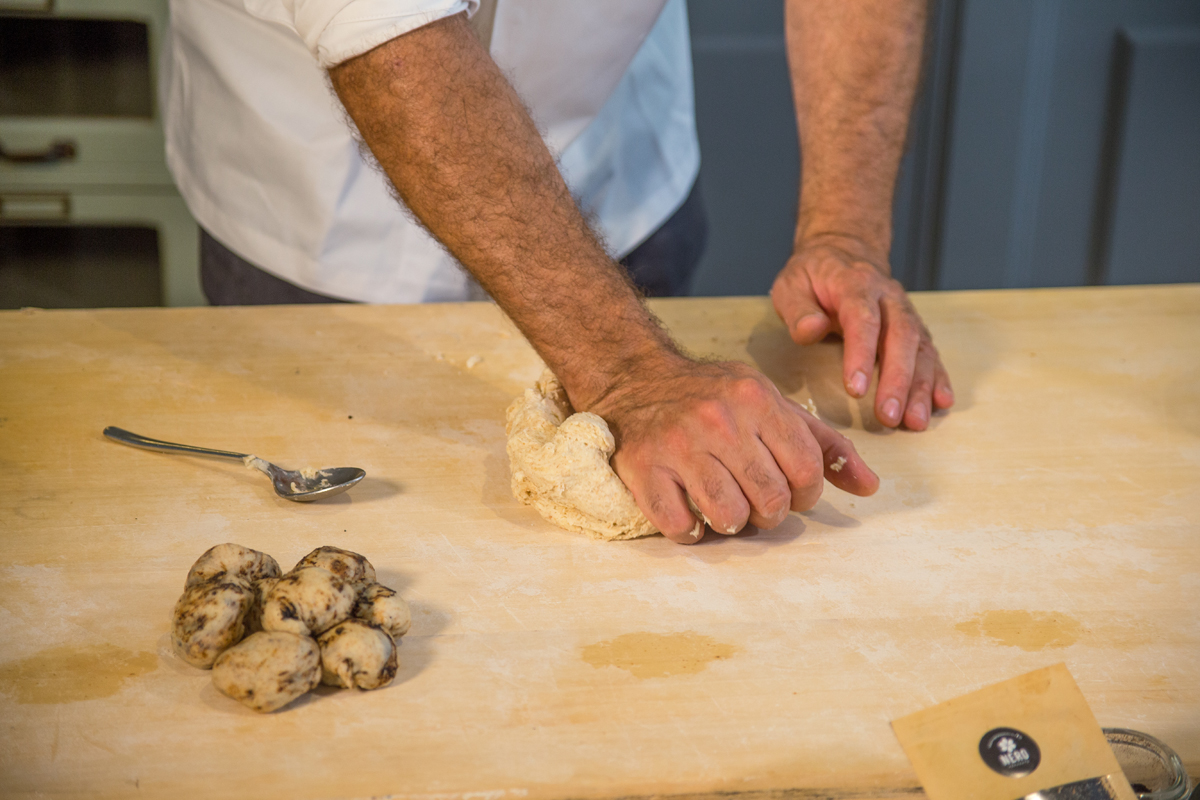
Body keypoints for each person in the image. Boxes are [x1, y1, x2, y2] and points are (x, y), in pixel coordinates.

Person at [162, 0, 954, 544]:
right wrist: (631, 372)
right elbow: (393, 34)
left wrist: (844, 230)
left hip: (612, 146)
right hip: (320, 201)